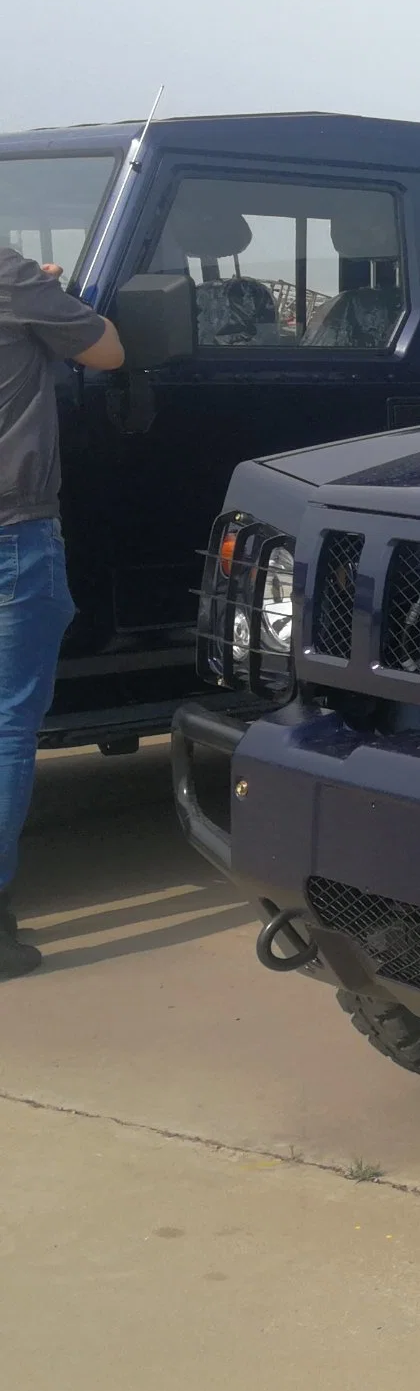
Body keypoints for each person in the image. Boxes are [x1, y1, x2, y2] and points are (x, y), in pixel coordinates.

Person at [0, 244, 122, 978]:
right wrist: (52, 298)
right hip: (12, 531)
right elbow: (108, 351)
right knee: (7, 725)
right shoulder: (8, 277)